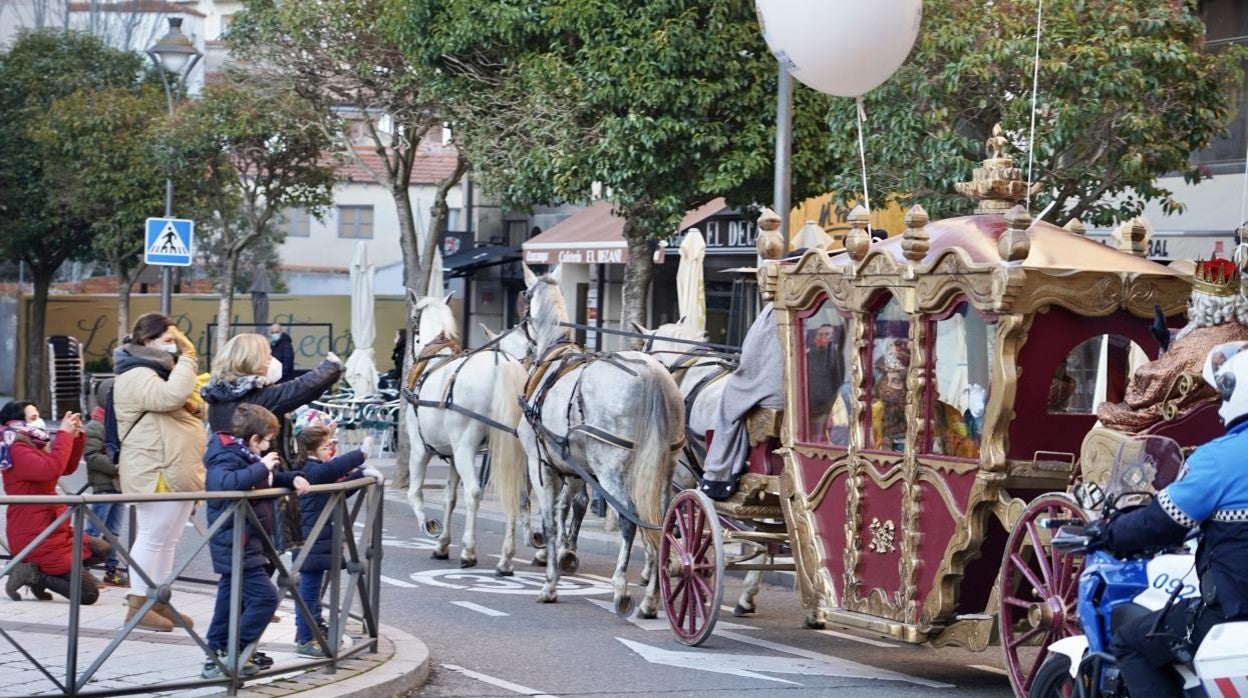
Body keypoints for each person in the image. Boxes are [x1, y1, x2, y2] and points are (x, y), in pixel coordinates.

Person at [1094, 342, 1248, 698]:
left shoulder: (1218, 459)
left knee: (1131, 642)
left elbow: (1161, 523)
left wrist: (1108, 533)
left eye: (1223, 394)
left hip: (1233, 613)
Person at [113, 313, 206, 632]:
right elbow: (170, 398)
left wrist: (183, 363)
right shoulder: (136, 372)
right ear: (146, 341)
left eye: (175, 339)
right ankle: (137, 603)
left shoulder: (160, 369)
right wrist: (188, 359)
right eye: (167, 339)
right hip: (155, 468)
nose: (174, 345)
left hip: (173, 467)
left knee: (169, 539)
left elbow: (194, 405)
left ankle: (159, 598)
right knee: (153, 536)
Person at [202, 404, 309, 679]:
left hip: (247, 541)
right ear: (253, 439)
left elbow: (267, 480)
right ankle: (234, 652)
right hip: (237, 541)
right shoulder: (225, 454)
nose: (269, 445)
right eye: (268, 440)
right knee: (264, 598)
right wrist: (261, 466)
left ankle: (216, 657)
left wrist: (292, 477)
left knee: (228, 605)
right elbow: (224, 485)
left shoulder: (243, 454)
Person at [1099, 256, 1248, 432]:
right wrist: (1165, 340)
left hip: (1186, 422)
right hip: (1230, 419)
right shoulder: (1241, 331)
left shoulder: (1196, 342)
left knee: (1107, 415)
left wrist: (1142, 373)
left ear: (1202, 302)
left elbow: (1154, 382)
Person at [1, 401, 110, 604]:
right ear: (16, 422)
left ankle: (43, 573)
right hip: (33, 533)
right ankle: (34, 574)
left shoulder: (34, 443)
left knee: (103, 548)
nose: (40, 421)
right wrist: (64, 435)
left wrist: (75, 437)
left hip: (53, 526)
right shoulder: (16, 448)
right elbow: (50, 469)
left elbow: (64, 468)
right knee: (89, 595)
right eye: (33, 418)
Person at [290, 427, 380, 657]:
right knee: (308, 591)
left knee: (311, 589)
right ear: (312, 450)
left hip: (314, 539)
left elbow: (336, 491)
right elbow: (332, 471)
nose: (330, 450)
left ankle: (311, 630)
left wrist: (360, 475)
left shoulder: (310, 468)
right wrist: (361, 455)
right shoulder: (310, 469)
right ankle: (305, 639)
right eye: (325, 446)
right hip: (310, 540)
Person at [83, 379, 128, 586]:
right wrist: (114, 467)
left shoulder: (118, 422)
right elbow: (91, 455)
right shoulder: (96, 424)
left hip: (119, 486)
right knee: (93, 530)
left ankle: (111, 570)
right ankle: (82, 569)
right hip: (104, 485)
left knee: (113, 532)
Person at [805, 324, 844, 441]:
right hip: (807, 406)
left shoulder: (837, 356)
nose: (823, 337)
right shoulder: (807, 356)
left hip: (826, 407)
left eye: (827, 334)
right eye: (820, 334)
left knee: (821, 438)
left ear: (832, 337)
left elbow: (838, 381)